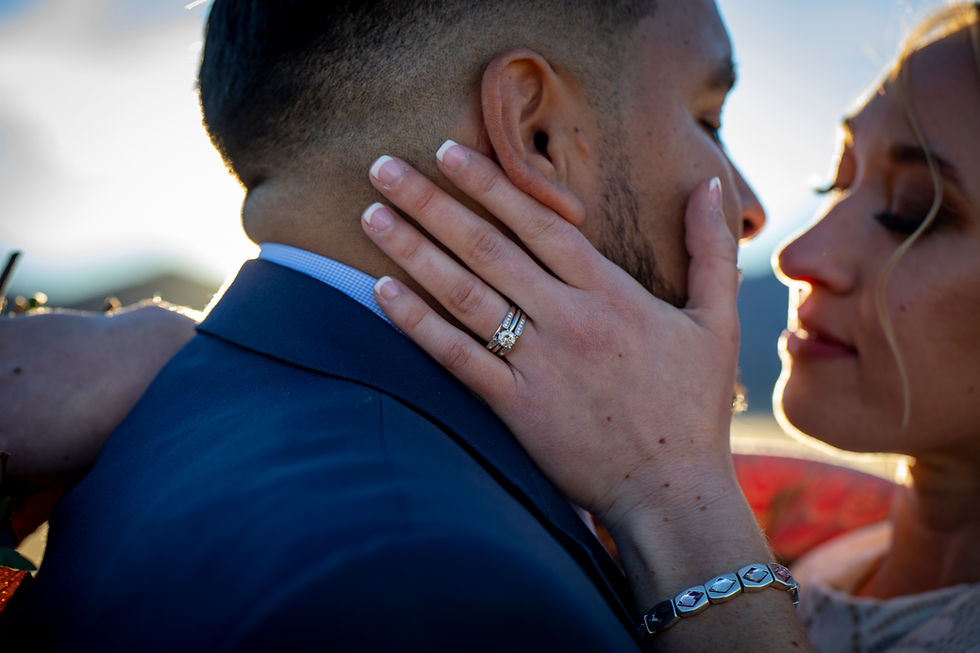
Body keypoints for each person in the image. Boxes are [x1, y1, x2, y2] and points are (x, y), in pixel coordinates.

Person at [7, 1, 812, 651]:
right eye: (708, 118)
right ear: (534, 131)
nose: (749, 208)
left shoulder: (166, 407)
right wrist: (681, 499)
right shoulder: (441, 592)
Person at [358, 3, 980, 651]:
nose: (797, 255)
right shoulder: (814, 539)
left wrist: (673, 490)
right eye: (836, 185)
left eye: (914, 212)